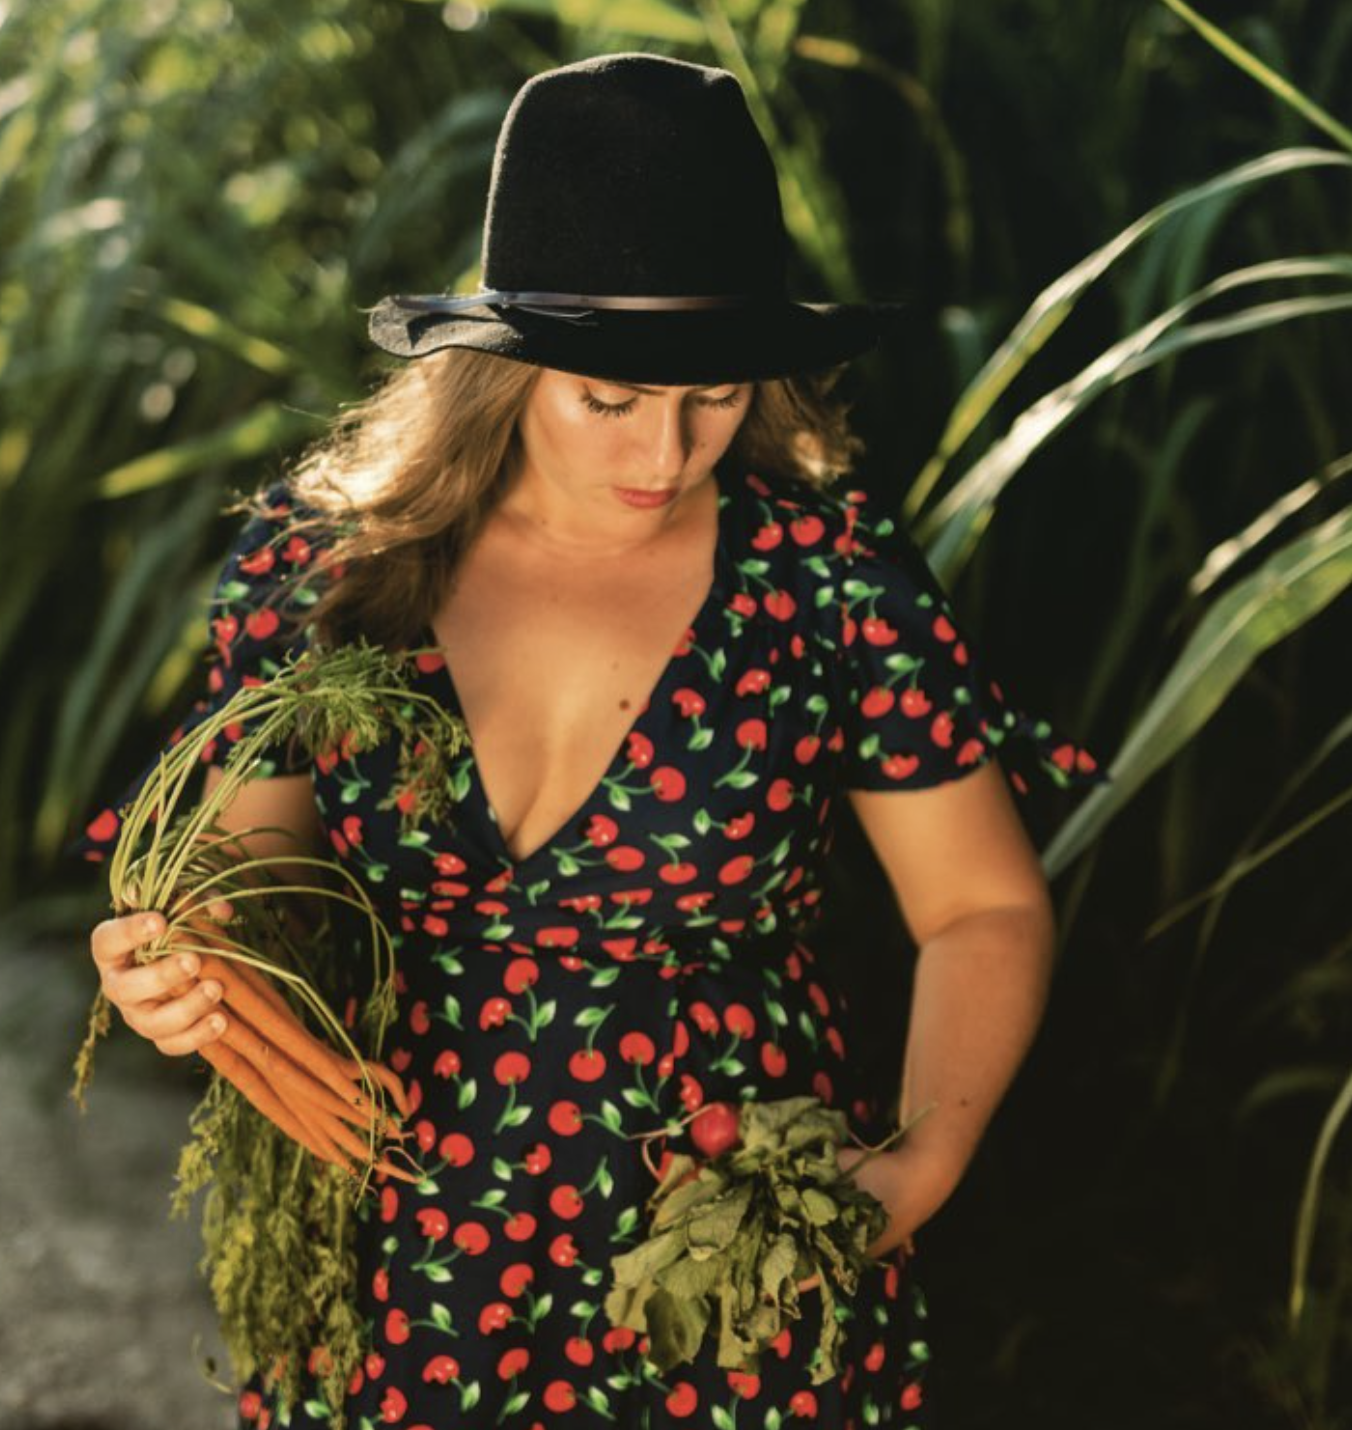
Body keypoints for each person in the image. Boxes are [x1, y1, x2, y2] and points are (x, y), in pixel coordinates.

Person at [70, 51, 1109, 1430]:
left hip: (723, 1264)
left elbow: (979, 904)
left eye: (714, 392)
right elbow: (258, 877)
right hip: (396, 1266)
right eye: (609, 397)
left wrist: (912, 1169)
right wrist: (194, 966)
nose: (667, 452)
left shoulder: (824, 570)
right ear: (498, 368)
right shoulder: (328, 568)